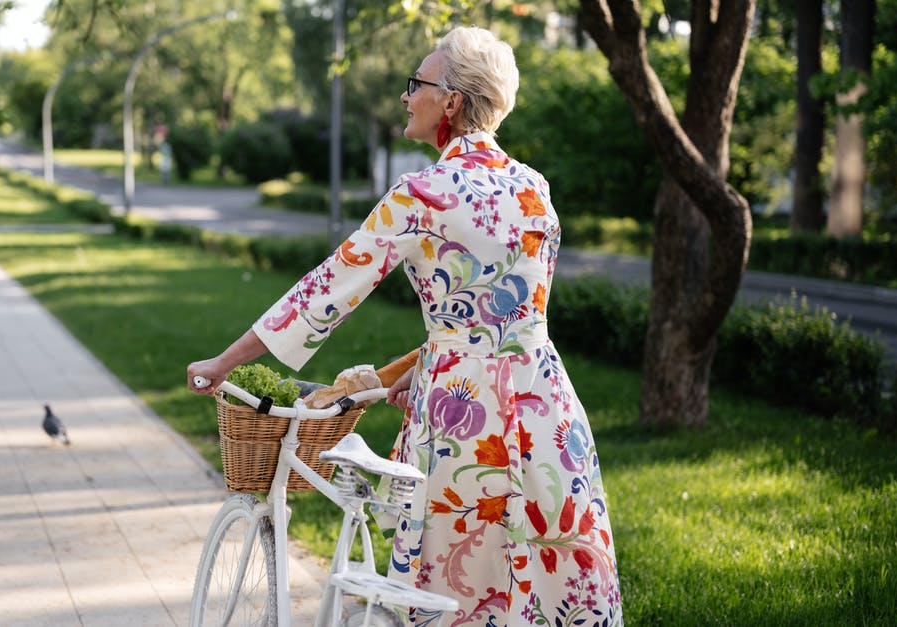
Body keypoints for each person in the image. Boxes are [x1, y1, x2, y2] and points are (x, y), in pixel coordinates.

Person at [187, 25, 621, 627]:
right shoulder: (535, 190)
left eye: (415, 84)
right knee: (541, 582)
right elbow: (499, 320)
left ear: (451, 101)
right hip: (545, 403)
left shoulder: (421, 193)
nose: (404, 96)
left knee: (455, 588)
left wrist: (222, 364)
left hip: (463, 414)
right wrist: (418, 367)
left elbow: (324, 291)